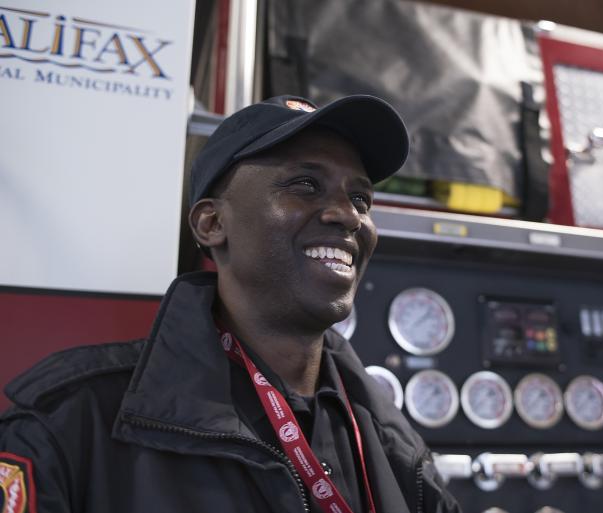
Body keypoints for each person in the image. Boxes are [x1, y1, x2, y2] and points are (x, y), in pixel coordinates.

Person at [0, 95, 462, 513]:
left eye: (360, 197)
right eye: (304, 184)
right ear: (212, 223)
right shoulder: (70, 423)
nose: (348, 215)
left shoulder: (393, 444)